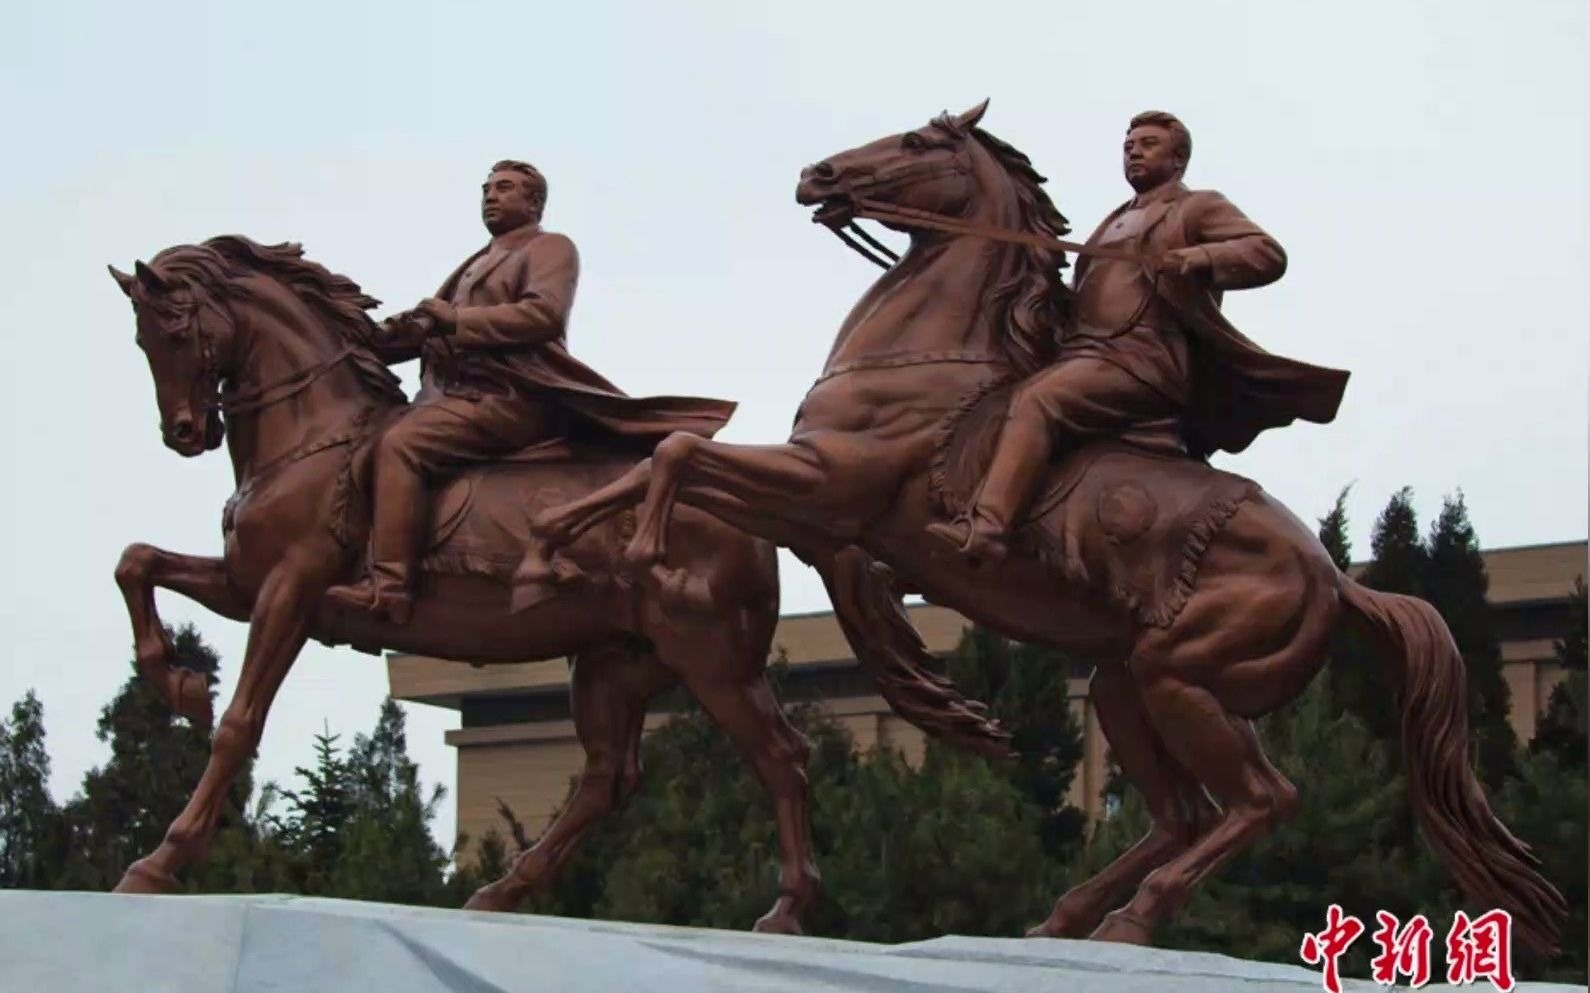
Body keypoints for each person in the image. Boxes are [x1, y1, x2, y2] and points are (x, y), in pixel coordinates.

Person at [928, 111, 1349, 564]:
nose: (1133, 152)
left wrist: (1200, 256)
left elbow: (1266, 254)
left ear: (1179, 158)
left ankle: (990, 527)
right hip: (1084, 355)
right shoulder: (1114, 220)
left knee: (1037, 401)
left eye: (1147, 144)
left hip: (1142, 361)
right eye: (1129, 146)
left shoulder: (1197, 207)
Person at [325, 159, 734, 622]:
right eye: (486, 190)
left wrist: (455, 319)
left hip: (511, 396)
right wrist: (380, 334)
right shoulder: (475, 262)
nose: (491, 196)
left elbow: (543, 316)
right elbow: (433, 330)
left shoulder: (549, 248)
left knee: (400, 445)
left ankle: (390, 586)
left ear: (534, 201)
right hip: (452, 396)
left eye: (504, 188)